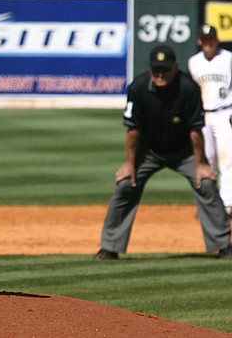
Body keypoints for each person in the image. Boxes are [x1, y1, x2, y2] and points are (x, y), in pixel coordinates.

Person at [93, 45, 232, 261]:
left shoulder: (188, 88)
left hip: (184, 150)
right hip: (149, 151)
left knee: (205, 184)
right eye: (155, 70)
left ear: (175, 68)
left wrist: (202, 163)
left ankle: (224, 245)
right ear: (150, 69)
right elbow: (133, 130)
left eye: (165, 70)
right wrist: (130, 163)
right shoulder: (138, 88)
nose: (160, 75)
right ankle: (109, 247)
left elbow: (196, 130)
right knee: (125, 185)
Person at [188, 24, 232, 216]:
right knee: (206, 159)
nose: (208, 43)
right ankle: (207, 204)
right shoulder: (194, 62)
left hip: (225, 113)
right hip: (203, 115)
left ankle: (227, 203)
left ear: (217, 40)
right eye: (204, 40)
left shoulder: (228, 58)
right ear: (199, 41)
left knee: (228, 160)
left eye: (211, 40)